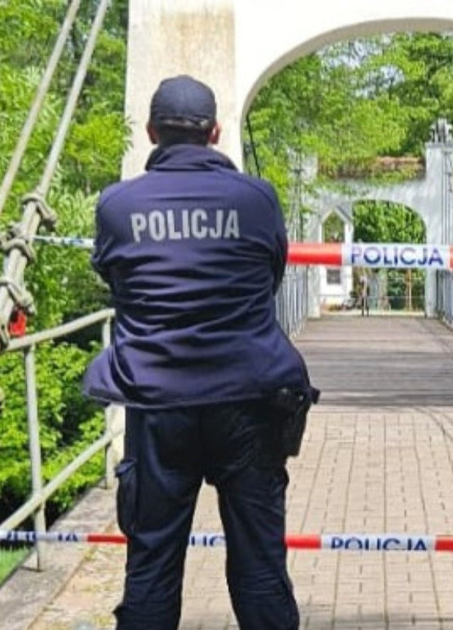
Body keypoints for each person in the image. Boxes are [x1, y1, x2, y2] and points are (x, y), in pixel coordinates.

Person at [82, 75, 317, 630]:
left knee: (151, 567)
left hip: (158, 406)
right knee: (261, 567)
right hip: (250, 400)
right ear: (215, 133)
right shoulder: (257, 199)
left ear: (150, 132)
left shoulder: (116, 205)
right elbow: (270, 278)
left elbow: (115, 281)